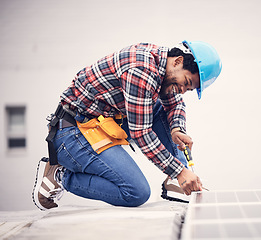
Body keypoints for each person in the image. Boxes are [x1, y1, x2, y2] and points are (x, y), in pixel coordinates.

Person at [32, 40, 222, 210]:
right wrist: (179, 170)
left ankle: (178, 181)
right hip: (73, 132)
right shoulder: (142, 70)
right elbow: (141, 133)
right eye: (186, 82)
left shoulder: (163, 66)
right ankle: (61, 175)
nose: (182, 90)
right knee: (136, 192)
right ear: (178, 61)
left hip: (103, 122)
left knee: (161, 105)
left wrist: (177, 129)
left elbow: (175, 103)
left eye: (188, 89)